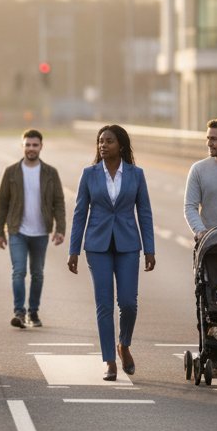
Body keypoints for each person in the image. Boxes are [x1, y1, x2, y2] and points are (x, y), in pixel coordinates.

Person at [67, 124, 156, 381]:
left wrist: (149, 249)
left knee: (128, 303)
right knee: (104, 304)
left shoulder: (136, 174)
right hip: (98, 246)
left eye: (109, 141)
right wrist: (74, 250)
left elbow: (145, 212)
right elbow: (80, 213)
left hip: (128, 245)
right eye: (100, 141)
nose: (103, 145)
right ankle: (109, 360)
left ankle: (123, 345)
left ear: (121, 145)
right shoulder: (89, 174)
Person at [0, 129, 67, 329]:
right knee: (18, 271)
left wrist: (60, 229)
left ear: (41, 146)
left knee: (37, 273)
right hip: (17, 230)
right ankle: (19, 312)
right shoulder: (11, 172)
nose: (31, 148)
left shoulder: (50, 173)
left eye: (35, 145)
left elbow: (59, 202)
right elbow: (2, 203)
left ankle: (33, 312)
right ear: (22, 146)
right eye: (28, 145)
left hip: (41, 232)